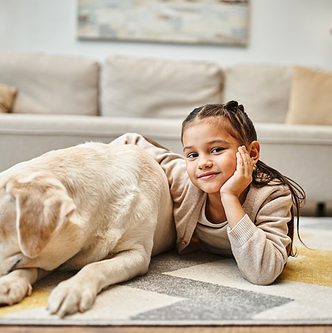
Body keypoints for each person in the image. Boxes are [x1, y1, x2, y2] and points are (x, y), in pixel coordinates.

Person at [111, 100, 305, 285]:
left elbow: (263, 272)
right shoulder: (186, 178)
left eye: (216, 149)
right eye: (193, 154)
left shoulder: (272, 195)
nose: (203, 163)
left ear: (252, 153)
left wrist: (229, 197)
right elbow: (130, 141)